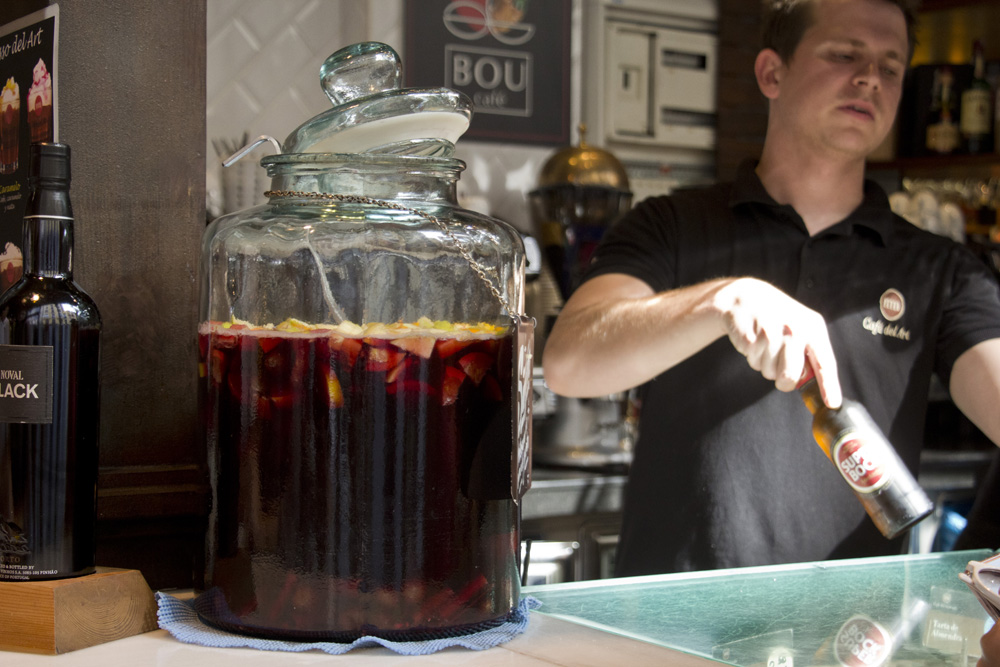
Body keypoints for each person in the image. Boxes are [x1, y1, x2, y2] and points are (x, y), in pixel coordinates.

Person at [543, 0, 1000, 577]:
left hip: (853, 637)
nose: (869, 78)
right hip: (674, 626)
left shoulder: (943, 269)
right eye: (844, 54)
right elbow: (569, 361)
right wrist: (722, 300)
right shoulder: (671, 226)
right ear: (771, 73)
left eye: (891, 66)